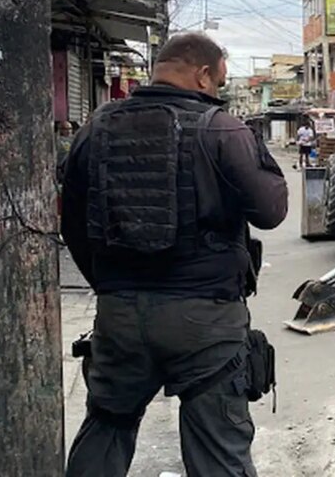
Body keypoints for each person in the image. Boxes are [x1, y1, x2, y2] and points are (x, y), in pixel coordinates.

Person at [61, 32, 288, 476]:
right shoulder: (221, 129)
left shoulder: (96, 126)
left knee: (106, 429)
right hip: (204, 322)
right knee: (218, 449)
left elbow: (72, 224)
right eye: (220, 82)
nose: (219, 91)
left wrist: (112, 287)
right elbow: (271, 211)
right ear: (203, 75)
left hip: (120, 315)